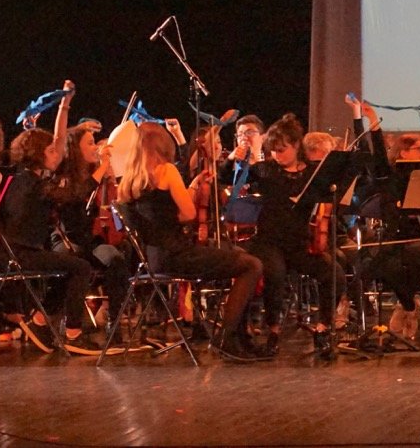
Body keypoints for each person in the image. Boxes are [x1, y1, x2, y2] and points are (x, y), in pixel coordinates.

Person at [120, 121, 266, 361]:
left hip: (154, 259)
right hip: (178, 255)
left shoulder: (129, 180)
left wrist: (192, 186)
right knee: (252, 265)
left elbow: (162, 215)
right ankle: (226, 339)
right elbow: (188, 214)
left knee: (239, 257)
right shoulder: (167, 170)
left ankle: (237, 337)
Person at [0, 81, 102, 353]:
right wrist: (99, 174)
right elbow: (75, 193)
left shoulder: (20, 178)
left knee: (70, 266)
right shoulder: (38, 186)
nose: (58, 153)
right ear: (39, 154)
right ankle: (73, 334)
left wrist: (65, 105)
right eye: (52, 151)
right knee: (81, 267)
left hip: (16, 252)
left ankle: (40, 322)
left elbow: (59, 141)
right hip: (21, 255)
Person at [241, 114, 349, 357]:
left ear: (296, 145)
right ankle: (273, 331)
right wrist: (239, 159)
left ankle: (323, 328)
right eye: (273, 150)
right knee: (275, 273)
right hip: (268, 242)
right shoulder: (266, 170)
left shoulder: (313, 174)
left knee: (333, 273)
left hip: (299, 243)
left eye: (282, 150)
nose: (277, 155)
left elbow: (333, 194)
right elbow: (234, 177)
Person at [47, 118, 131, 337]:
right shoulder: (63, 174)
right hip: (65, 239)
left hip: (89, 240)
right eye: (91, 143)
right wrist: (102, 167)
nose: (95, 147)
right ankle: (66, 324)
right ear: (76, 148)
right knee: (76, 261)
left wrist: (109, 169)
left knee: (115, 258)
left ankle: (114, 320)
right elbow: (78, 194)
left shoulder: (96, 173)